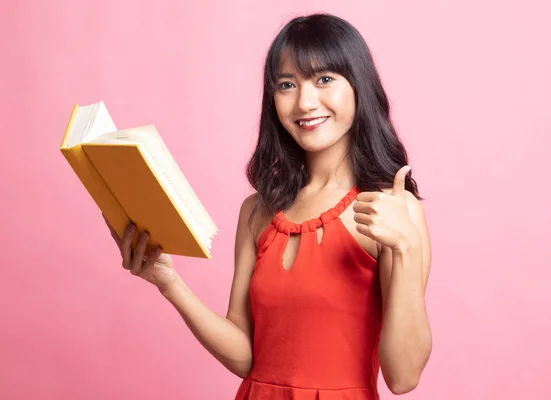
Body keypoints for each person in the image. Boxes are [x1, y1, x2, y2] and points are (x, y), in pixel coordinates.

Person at [105, 12, 432, 399]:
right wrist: (169, 283)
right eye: (286, 84)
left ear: (359, 85)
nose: (305, 102)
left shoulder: (393, 210)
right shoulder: (257, 212)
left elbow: (404, 377)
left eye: (324, 79)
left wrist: (406, 248)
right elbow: (246, 354)